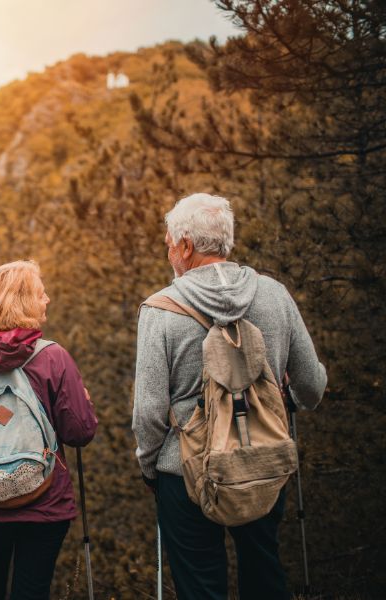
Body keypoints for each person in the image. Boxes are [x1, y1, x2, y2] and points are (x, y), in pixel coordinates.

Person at [132, 193, 327, 600]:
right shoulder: (274, 294)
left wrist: (150, 466)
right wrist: (286, 400)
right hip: (263, 460)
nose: (168, 250)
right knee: (263, 569)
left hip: (183, 471)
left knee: (200, 586)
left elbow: (148, 412)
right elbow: (312, 384)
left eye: (169, 242)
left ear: (185, 246)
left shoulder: (160, 310)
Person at [0, 259, 98, 600]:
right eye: (41, 293)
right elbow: (79, 432)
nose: (47, 299)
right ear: (24, 301)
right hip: (45, 501)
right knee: (33, 591)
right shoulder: (54, 358)